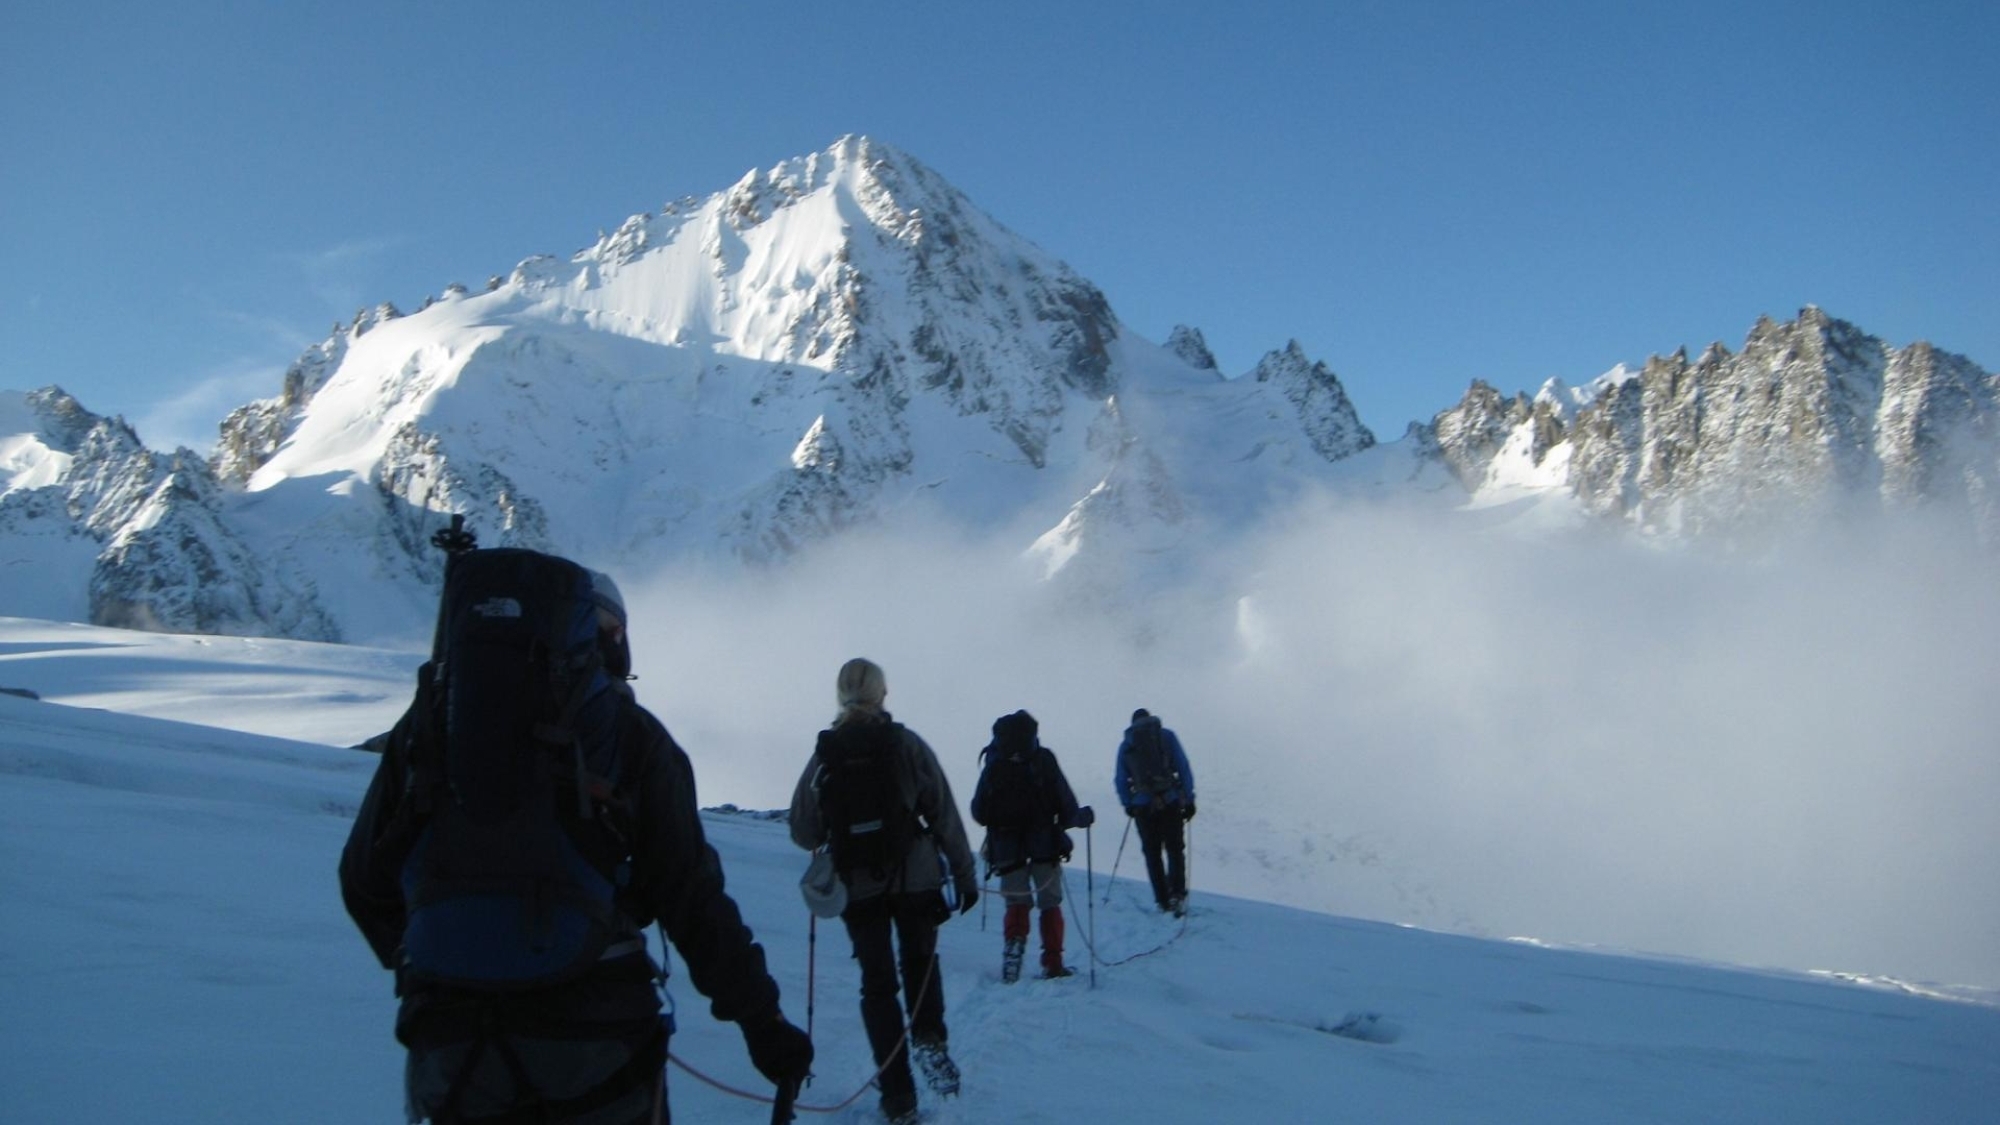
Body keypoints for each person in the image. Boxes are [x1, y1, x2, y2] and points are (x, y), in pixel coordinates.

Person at [340, 558, 812, 1123]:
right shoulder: (632, 737)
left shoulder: (427, 732)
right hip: (597, 1033)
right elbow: (691, 900)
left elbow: (363, 879)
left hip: (450, 1042)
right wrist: (764, 1026)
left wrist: (437, 964)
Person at [788, 657, 980, 1125]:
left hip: (859, 885)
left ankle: (898, 1097)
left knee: (877, 985)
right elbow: (943, 811)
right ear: (882, 694)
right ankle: (930, 1042)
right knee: (919, 961)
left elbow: (803, 830)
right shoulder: (906, 745)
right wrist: (964, 871)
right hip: (914, 876)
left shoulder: (826, 756)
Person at [969, 709, 1093, 982]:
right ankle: (1053, 962)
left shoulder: (994, 762)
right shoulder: (1043, 759)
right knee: (1049, 901)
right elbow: (1066, 803)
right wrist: (1081, 818)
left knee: (1017, 900)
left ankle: (1013, 949)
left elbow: (978, 811)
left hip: (1004, 846)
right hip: (1044, 844)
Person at [1114, 707, 1196, 916]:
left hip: (1143, 806)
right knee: (1175, 849)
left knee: (1152, 853)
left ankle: (1162, 899)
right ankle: (1177, 893)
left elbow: (1120, 779)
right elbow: (1183, 766)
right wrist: (1189, 798)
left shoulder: (1127, 744)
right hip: (1170, 801)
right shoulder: (1166, 736)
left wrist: (1128, 804)